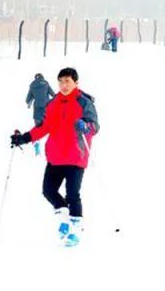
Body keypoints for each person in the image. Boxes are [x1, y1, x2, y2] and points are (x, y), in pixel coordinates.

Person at [10, 68, 99, 247]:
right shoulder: (53, 103)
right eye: (61, 82)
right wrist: (25, 138)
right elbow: (44, 127)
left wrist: (86, 127)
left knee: (72, 194)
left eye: (67, 81)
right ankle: (64, 217)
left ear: (76, 82)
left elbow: (94, 126)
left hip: (76, 155)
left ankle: (75, 230)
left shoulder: (84, 102)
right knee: (48, 191)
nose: (64, 85)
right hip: (56, 156)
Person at [26, 73, 56, 155]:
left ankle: (37, 148)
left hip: (37, 110)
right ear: (42, 77)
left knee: (37, 129)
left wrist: (32, 98)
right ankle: (53, 149)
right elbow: (53, 95)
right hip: (47, 109)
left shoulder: (32, 85)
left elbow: (27, 99)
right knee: (52, 128)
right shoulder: (45, 83)